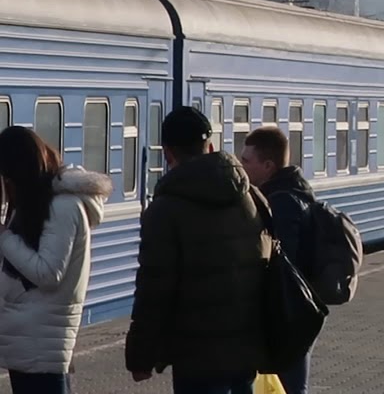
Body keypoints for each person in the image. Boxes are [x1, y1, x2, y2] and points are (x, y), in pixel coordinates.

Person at [126, 106, 273, 394]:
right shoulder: (251, 196)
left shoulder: (165, 210)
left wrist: (141, 356)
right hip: (245, 349)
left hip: (197, 357)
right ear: (211, 146)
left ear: (168, 154)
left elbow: (155, 288)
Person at [0, 127, 111, 394]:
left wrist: (4, 238)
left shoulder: (63, 207)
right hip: (29, 343)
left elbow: (48, 273)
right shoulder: (37, 204)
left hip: (41, 345)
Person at [239, 126, 315, 394]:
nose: (241, 166)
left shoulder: (281, 203)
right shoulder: (294, 192)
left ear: (268, 165)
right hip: (293, 311)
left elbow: (282, 264)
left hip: (287, 314)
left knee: (290, 387)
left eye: (247, 161)